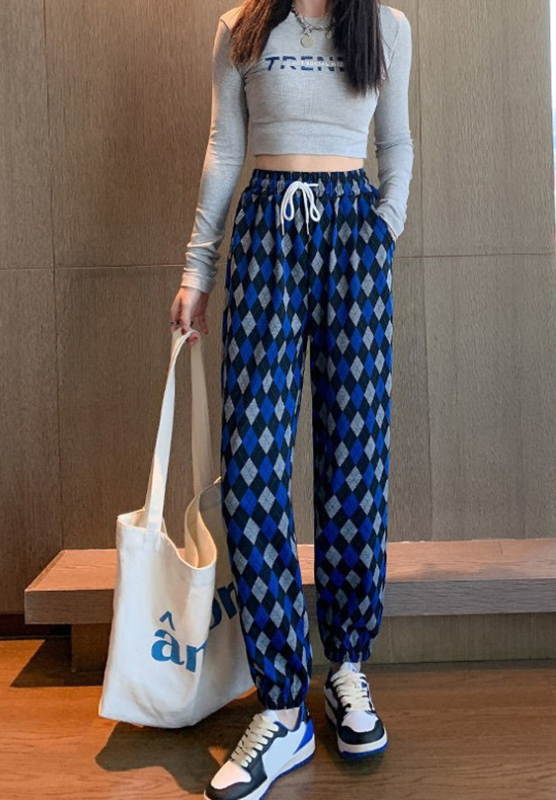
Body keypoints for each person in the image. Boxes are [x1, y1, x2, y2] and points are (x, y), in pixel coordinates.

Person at [170, 0, 413, 797]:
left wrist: (381, 230)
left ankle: (346, 668)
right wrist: (197, 270)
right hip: (267, 234)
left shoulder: (387, 26)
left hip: (352, 233)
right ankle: (282, 706)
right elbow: (223, 148)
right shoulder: (240, 25)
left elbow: (396, 143)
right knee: (252, 472)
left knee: (355, 462)